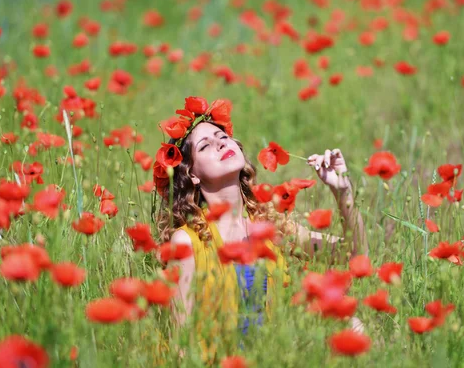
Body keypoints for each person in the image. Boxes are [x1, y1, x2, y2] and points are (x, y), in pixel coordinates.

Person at [153, 96, 366, 362]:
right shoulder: (186, 241)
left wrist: (342, 191)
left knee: (352, 325)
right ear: (193, 174)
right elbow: (181, 344)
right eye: (206, 146)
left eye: (222, 136)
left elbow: (353, 255)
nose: (220, 143)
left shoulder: (268, 225)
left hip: (272, 358)